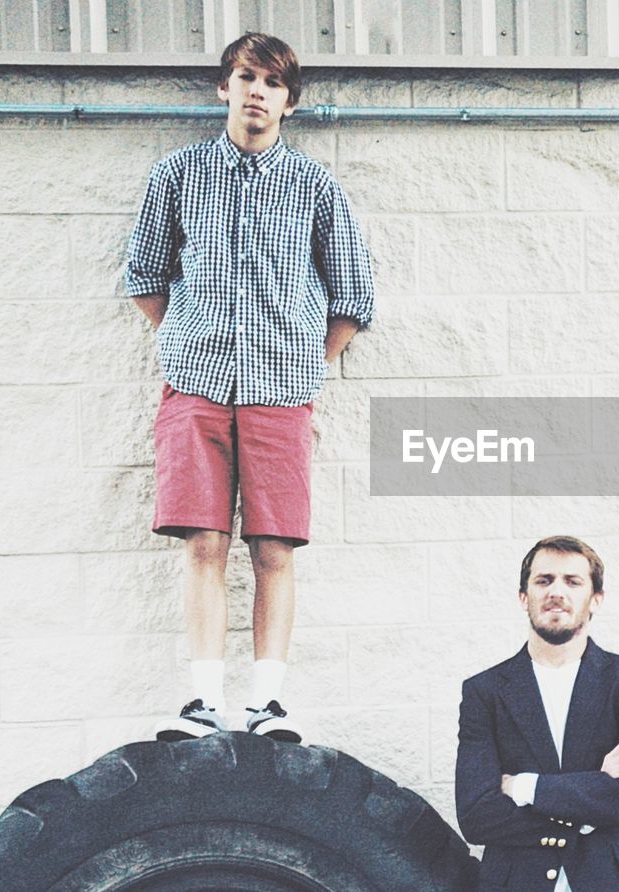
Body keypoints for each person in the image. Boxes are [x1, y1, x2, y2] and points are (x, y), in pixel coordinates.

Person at [123, 32, 374, 744]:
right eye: (245, 77)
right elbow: (144, 277)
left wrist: (308, 363)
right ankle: (204, 703)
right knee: (203, 543)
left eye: (271, 82)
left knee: (273, 548)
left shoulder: (315, 186)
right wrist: (189, 336)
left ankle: (266, 706)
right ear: (223, 89)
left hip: (279, 393)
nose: (256, 92)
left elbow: (353, 295)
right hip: (195, 386)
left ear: (290, 102)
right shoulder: (178, 175)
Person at [456, 536, 619, 892]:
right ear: (524, 597)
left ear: (596, 598)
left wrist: (523, 786)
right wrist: (597, 788)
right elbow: (476, 817)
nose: (557, 592)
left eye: (573, 581)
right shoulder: (484, 691)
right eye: (544, 580)